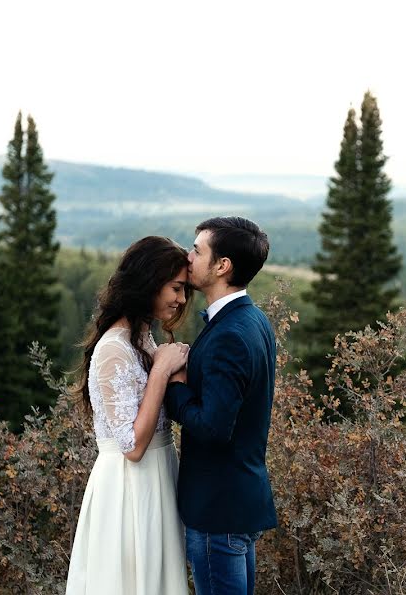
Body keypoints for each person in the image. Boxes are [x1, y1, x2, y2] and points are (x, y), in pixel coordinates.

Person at [65, 236, 192, 595]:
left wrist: (174, 373)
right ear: (149, 281)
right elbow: (133, 447)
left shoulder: (143, 339)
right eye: (176, 288)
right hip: (128, 488)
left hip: (158, 477)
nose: (181, 299)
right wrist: (161, 372)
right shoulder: (113, 349)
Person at [164, 217, 277, 595]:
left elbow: (214, 428)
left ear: (222, 266)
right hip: (238, 503)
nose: (188, 256)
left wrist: (176, 388)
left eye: (197, 250)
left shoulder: (229, 334)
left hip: (218, 511)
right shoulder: (253, 320)